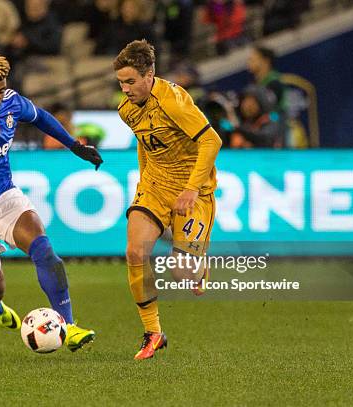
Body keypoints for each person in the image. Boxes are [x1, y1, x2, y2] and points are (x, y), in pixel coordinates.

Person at [0, 54, 102, 352]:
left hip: (3, 195)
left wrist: (74, 145)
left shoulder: (11, 100)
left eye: (0, 89)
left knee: (45, 251)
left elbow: (41, 118)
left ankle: (70, 326)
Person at [114, 40, 222, 360]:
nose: (125, 89)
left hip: (194, 189)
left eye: (131, 82)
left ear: (150, 75)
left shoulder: (173, 102)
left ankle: (197, 267)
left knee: (181, 272)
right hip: (155, 184)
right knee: (134, 251)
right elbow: (144, 143)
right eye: (121, 82)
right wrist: (143, 179)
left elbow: (211, 141)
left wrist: (190, 188)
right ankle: (153, 333)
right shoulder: (126, 109)